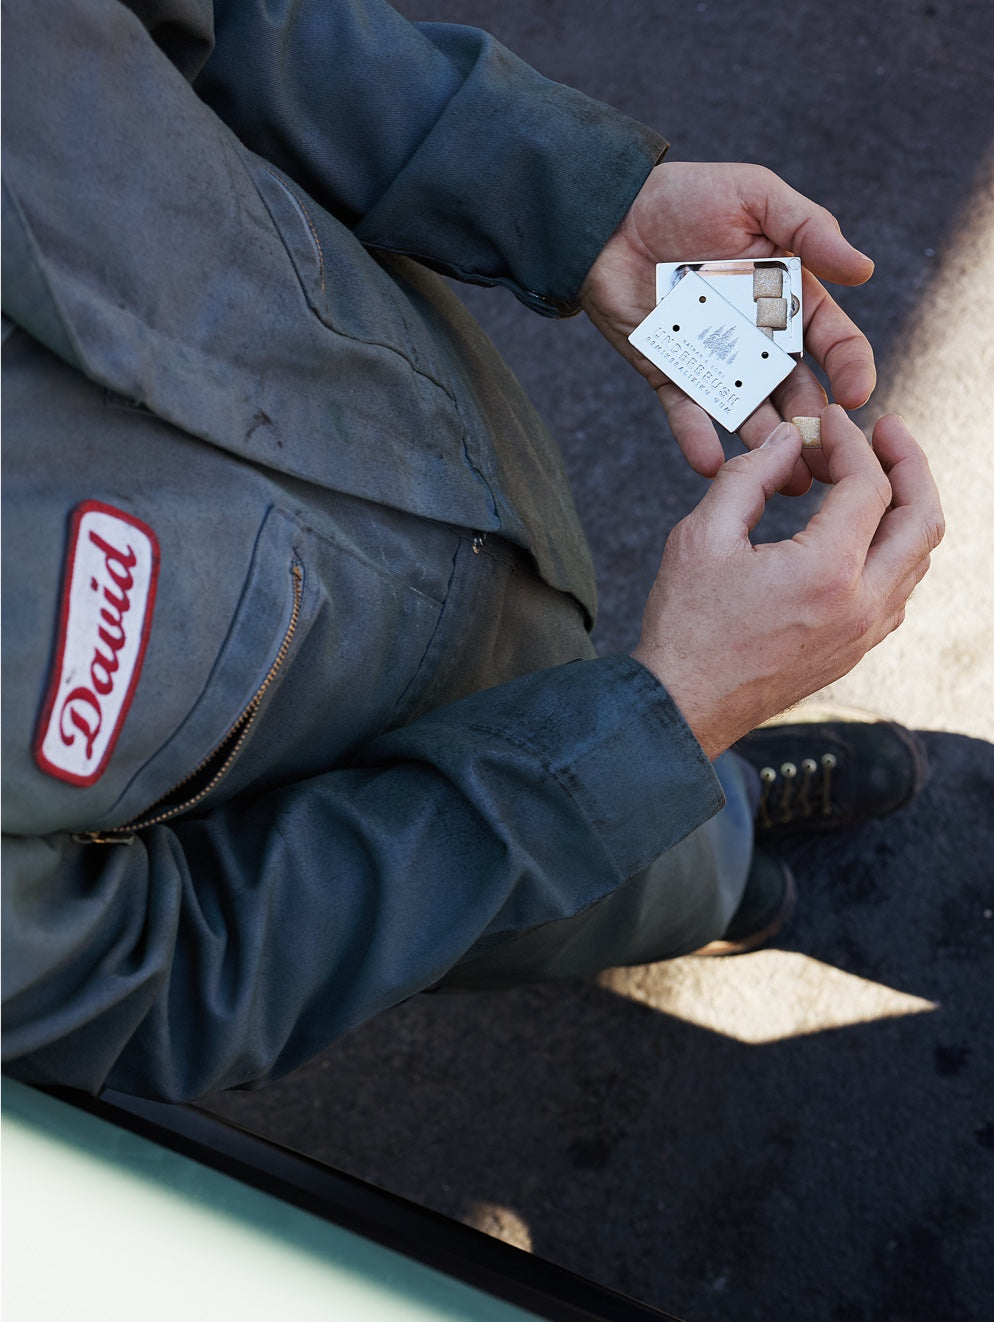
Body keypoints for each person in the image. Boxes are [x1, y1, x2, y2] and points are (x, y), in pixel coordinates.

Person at [1, 0, 943, 1102]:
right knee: (610, 860)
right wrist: (667, 715)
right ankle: (712, 874)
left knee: (604, 709)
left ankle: (706, 795)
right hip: (384, 813)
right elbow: (158, 977)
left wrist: (583, 202)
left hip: (478, 469)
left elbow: (237, 25)